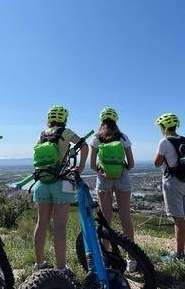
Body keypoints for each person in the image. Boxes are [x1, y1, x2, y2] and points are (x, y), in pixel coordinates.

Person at [32, 105, 88, 272]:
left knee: (41, 223)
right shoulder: (66, 132)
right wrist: (81, 166)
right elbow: (84, 146)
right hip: (61, 182)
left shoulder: (42, 135)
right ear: (64, 119)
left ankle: (40, 264)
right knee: (60, 226)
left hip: (42, 183)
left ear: (49, 119)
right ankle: (62, 268)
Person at [89, 107, 137, 271]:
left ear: (101, 121)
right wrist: (119, 169)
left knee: (106, 220)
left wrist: (104, 170)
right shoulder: (123, 138)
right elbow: (131, 164)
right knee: (125, 217)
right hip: (122, 177)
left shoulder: (96, 139)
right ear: (116, 121)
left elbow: (92, 165)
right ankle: (132, 259)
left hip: (103, 179)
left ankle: (107, 257)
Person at [153, 112, 185, 262]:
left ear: (163, 127)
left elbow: (157, 163)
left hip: (172, 183)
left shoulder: (164, 142)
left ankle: (179, 255)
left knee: (179, 220)